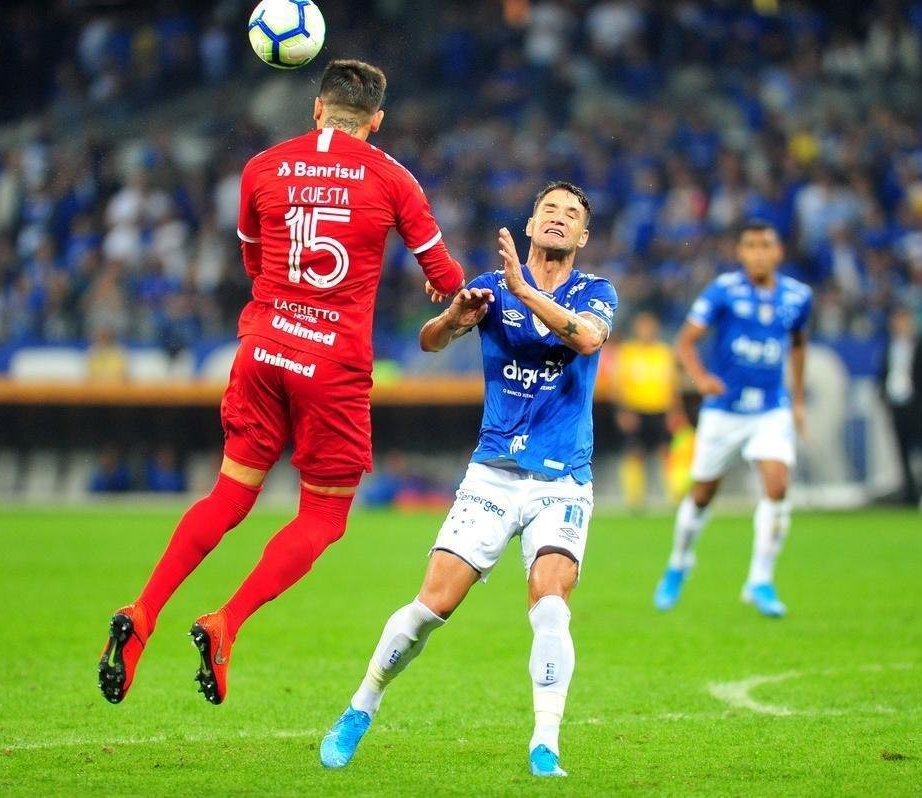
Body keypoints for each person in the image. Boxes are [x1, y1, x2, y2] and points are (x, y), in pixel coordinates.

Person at [97, 60, 465, 706]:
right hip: (333, 367)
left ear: (317, 110)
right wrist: (441, 281)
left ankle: (145, 611)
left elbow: (253, 259)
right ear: (375, 122)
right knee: (323, 516)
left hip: (263, 350)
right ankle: (226, 623)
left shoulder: (262, 167)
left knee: (230, 494)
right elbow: (446, 273)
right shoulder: (392, 178)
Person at [318, 183, 617, 778]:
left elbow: (586, 338)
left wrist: (525, 291)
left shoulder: (595, 293)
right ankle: (360, 708)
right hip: (494, 473)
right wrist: (452, 318)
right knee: (431, 607)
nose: (559, 220)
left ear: (583, 237)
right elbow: (430, 343)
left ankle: (545, 744)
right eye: (550, 211)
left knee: (552, 606)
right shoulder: (488, 285)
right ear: (531, 224)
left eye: (572, 216)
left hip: (563, 481)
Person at [652, 221, 811, 618]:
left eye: (766, 245)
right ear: (741, 253)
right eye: (751, 245)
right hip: (725, 412)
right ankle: (679, 563)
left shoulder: (798, 296)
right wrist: (702, 378)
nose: (758, 252)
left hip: (770, 409)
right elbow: (685, 341)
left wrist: (798, 400)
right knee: (703, 493)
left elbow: (798, 345)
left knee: (777, 486)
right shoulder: (723, 290)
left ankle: (760, 580)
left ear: (778, 252)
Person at [611, 311, 681, 510]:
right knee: (634, 452)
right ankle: (635, 499)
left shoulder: (664, 352)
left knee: (665, 452)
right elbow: (619, 385)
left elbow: (672, 385)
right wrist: (623, 411)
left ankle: (673, 496)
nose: (647, 331)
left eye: (650, 327)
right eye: (643, 327)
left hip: (660, 410)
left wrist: (674, 412)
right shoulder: (627, 352)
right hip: (635, 410)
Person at [878, 306, 922, 506]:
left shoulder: (920, 345)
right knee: (902, 449)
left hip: (915, 404)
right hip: (896, 404)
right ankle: (910, 491)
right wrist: (884, 395)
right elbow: (884, 373)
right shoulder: (890, 345)